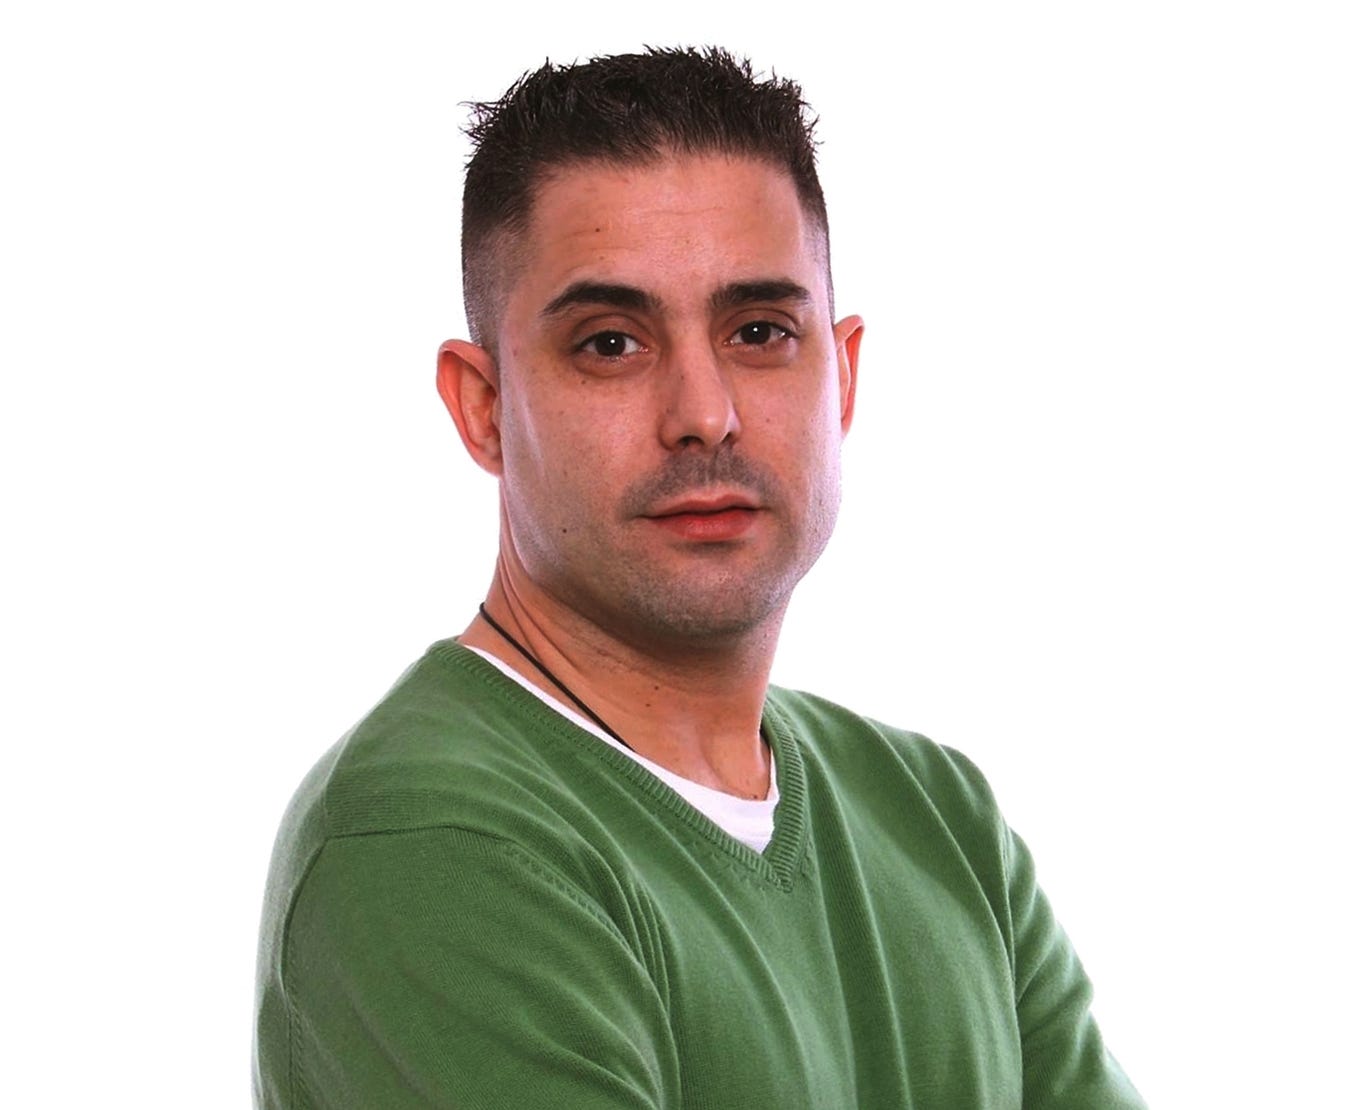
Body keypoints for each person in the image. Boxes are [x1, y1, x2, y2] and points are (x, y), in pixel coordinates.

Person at [253, 47, 1145, 1109]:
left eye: (759, 332)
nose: (704, 413)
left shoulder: (939, 819)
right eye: (611, 343)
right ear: (482, 408)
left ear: (841, 376)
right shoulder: (431, 845)